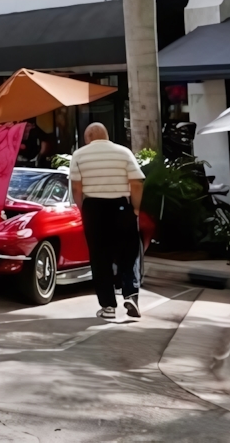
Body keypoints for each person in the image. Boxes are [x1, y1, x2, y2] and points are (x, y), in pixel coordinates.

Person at [69, 122, 146, 320]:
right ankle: (131, 295)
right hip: (121, 206)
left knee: (99, 257)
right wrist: (135, 208)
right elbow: (137, 182)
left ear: (88, 138)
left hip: (94, 208)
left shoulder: (79, 155)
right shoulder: (124, 152)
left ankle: (108, 306)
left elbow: (77, 188)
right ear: (107, 135)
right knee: (129, 253)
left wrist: (83, 208)